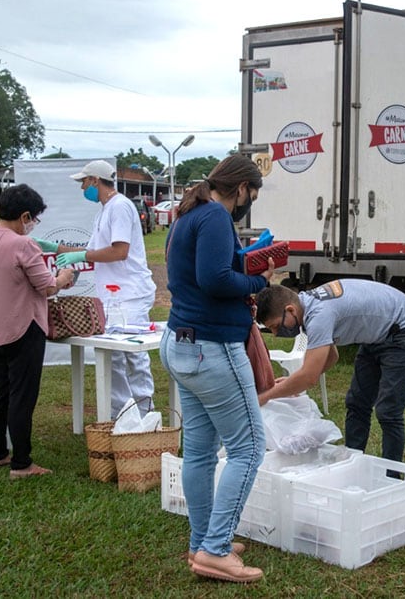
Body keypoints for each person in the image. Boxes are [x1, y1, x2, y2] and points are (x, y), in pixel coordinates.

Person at [159, 154, 272, 584]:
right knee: (249, 448)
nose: (250, 203)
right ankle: (215, 550)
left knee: (201, 453)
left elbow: (204, 272)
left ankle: (203, 540)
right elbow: (215, 279)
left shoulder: (189, 214)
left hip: (182, 344)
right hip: (211, 348)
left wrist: (247, 263)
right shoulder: (215, 217)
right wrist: (260, 282)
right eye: (252, 194)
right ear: (240, 188)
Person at [255, 280, 405, 462]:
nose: (275, 333)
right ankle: (351, 462)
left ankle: (391, 475)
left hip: (404, 329)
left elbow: (309, 377)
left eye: (275, 326)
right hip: (377, 335)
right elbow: (331, 358)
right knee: (356, 403)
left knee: (389, 410)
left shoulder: (319, 315)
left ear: (290, 310)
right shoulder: (306, 308)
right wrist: (294, 383)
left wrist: (266, 396)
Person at [0, 184, 76, 478]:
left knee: (1, 391)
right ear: (24, 216)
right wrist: (63, 277)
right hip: (25, 327)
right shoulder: (23, 245)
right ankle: (22, 462)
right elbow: (46, 286)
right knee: (23, 395)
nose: (33, 225)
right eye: (33, 219)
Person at [47, 160, 156, 417]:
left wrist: (79, 257)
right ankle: (122, 416)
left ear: (95, 180)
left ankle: (145, 414)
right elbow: (90, 251)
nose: (82, 187)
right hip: (112, 294)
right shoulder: (104, 211)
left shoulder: (120, 207)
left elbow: (119, 251)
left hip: (130, 294)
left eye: (83, 182)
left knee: (133, 357)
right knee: (112, 358)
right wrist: (57, 250)